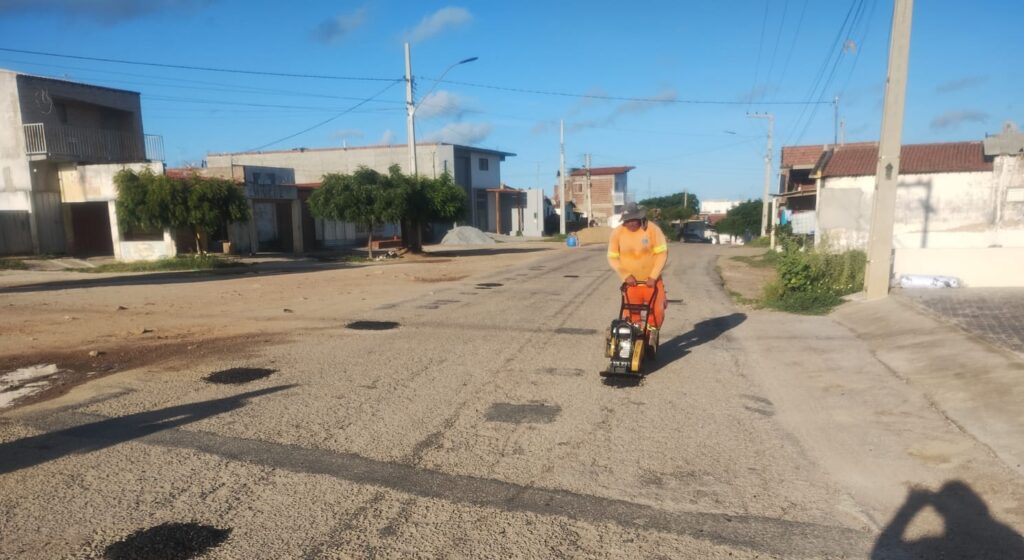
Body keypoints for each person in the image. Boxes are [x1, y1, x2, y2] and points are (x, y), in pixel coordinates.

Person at [607, 202, 668, 338]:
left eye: (633, 220)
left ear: (639, 217)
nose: (631, 224)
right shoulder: (617, 233)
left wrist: (653, 276)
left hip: (652, 282)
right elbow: (612, 257)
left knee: (657, 312)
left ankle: (650, 336)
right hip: (631, 283)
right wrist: (625, 275)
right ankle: (635, 338)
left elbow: (662, 253)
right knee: (631, 314)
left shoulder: (652, 229)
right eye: (627, 221)